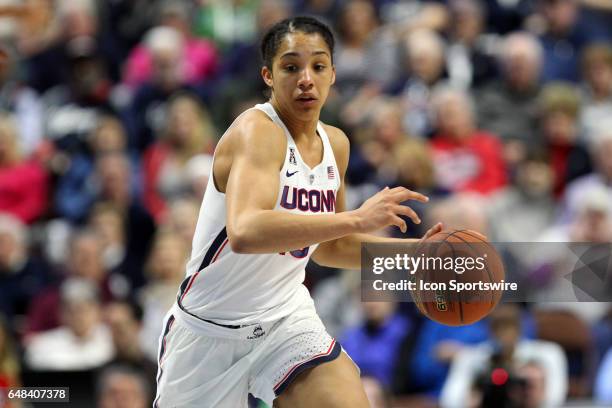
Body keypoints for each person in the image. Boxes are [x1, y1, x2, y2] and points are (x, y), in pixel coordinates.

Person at [154, 16, 441, 408]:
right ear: (268, 76)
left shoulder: (335, 143)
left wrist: (414, 255)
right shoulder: (256, 131)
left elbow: (329, 246)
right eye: (291, 67)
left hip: (285, 319)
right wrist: (357, 217)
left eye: (318, 66)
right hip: (209, 331)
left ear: (333, 74)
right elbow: (246, 232)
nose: (306, 78)